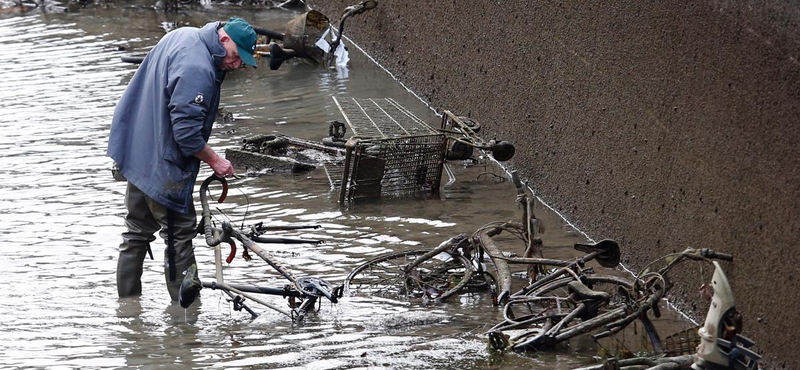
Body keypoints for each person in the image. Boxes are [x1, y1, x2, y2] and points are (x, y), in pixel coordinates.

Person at [107, 17, 258, 301]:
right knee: (179, 237)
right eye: (237, 57)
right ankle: (186, 319)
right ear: (224, 40)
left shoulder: (184, 35)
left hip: (136, 152)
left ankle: (128, 308)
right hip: (162, 165)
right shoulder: (198, 68)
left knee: (136, 232)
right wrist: (216, 161)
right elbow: (187, 135)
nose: (237, 66)